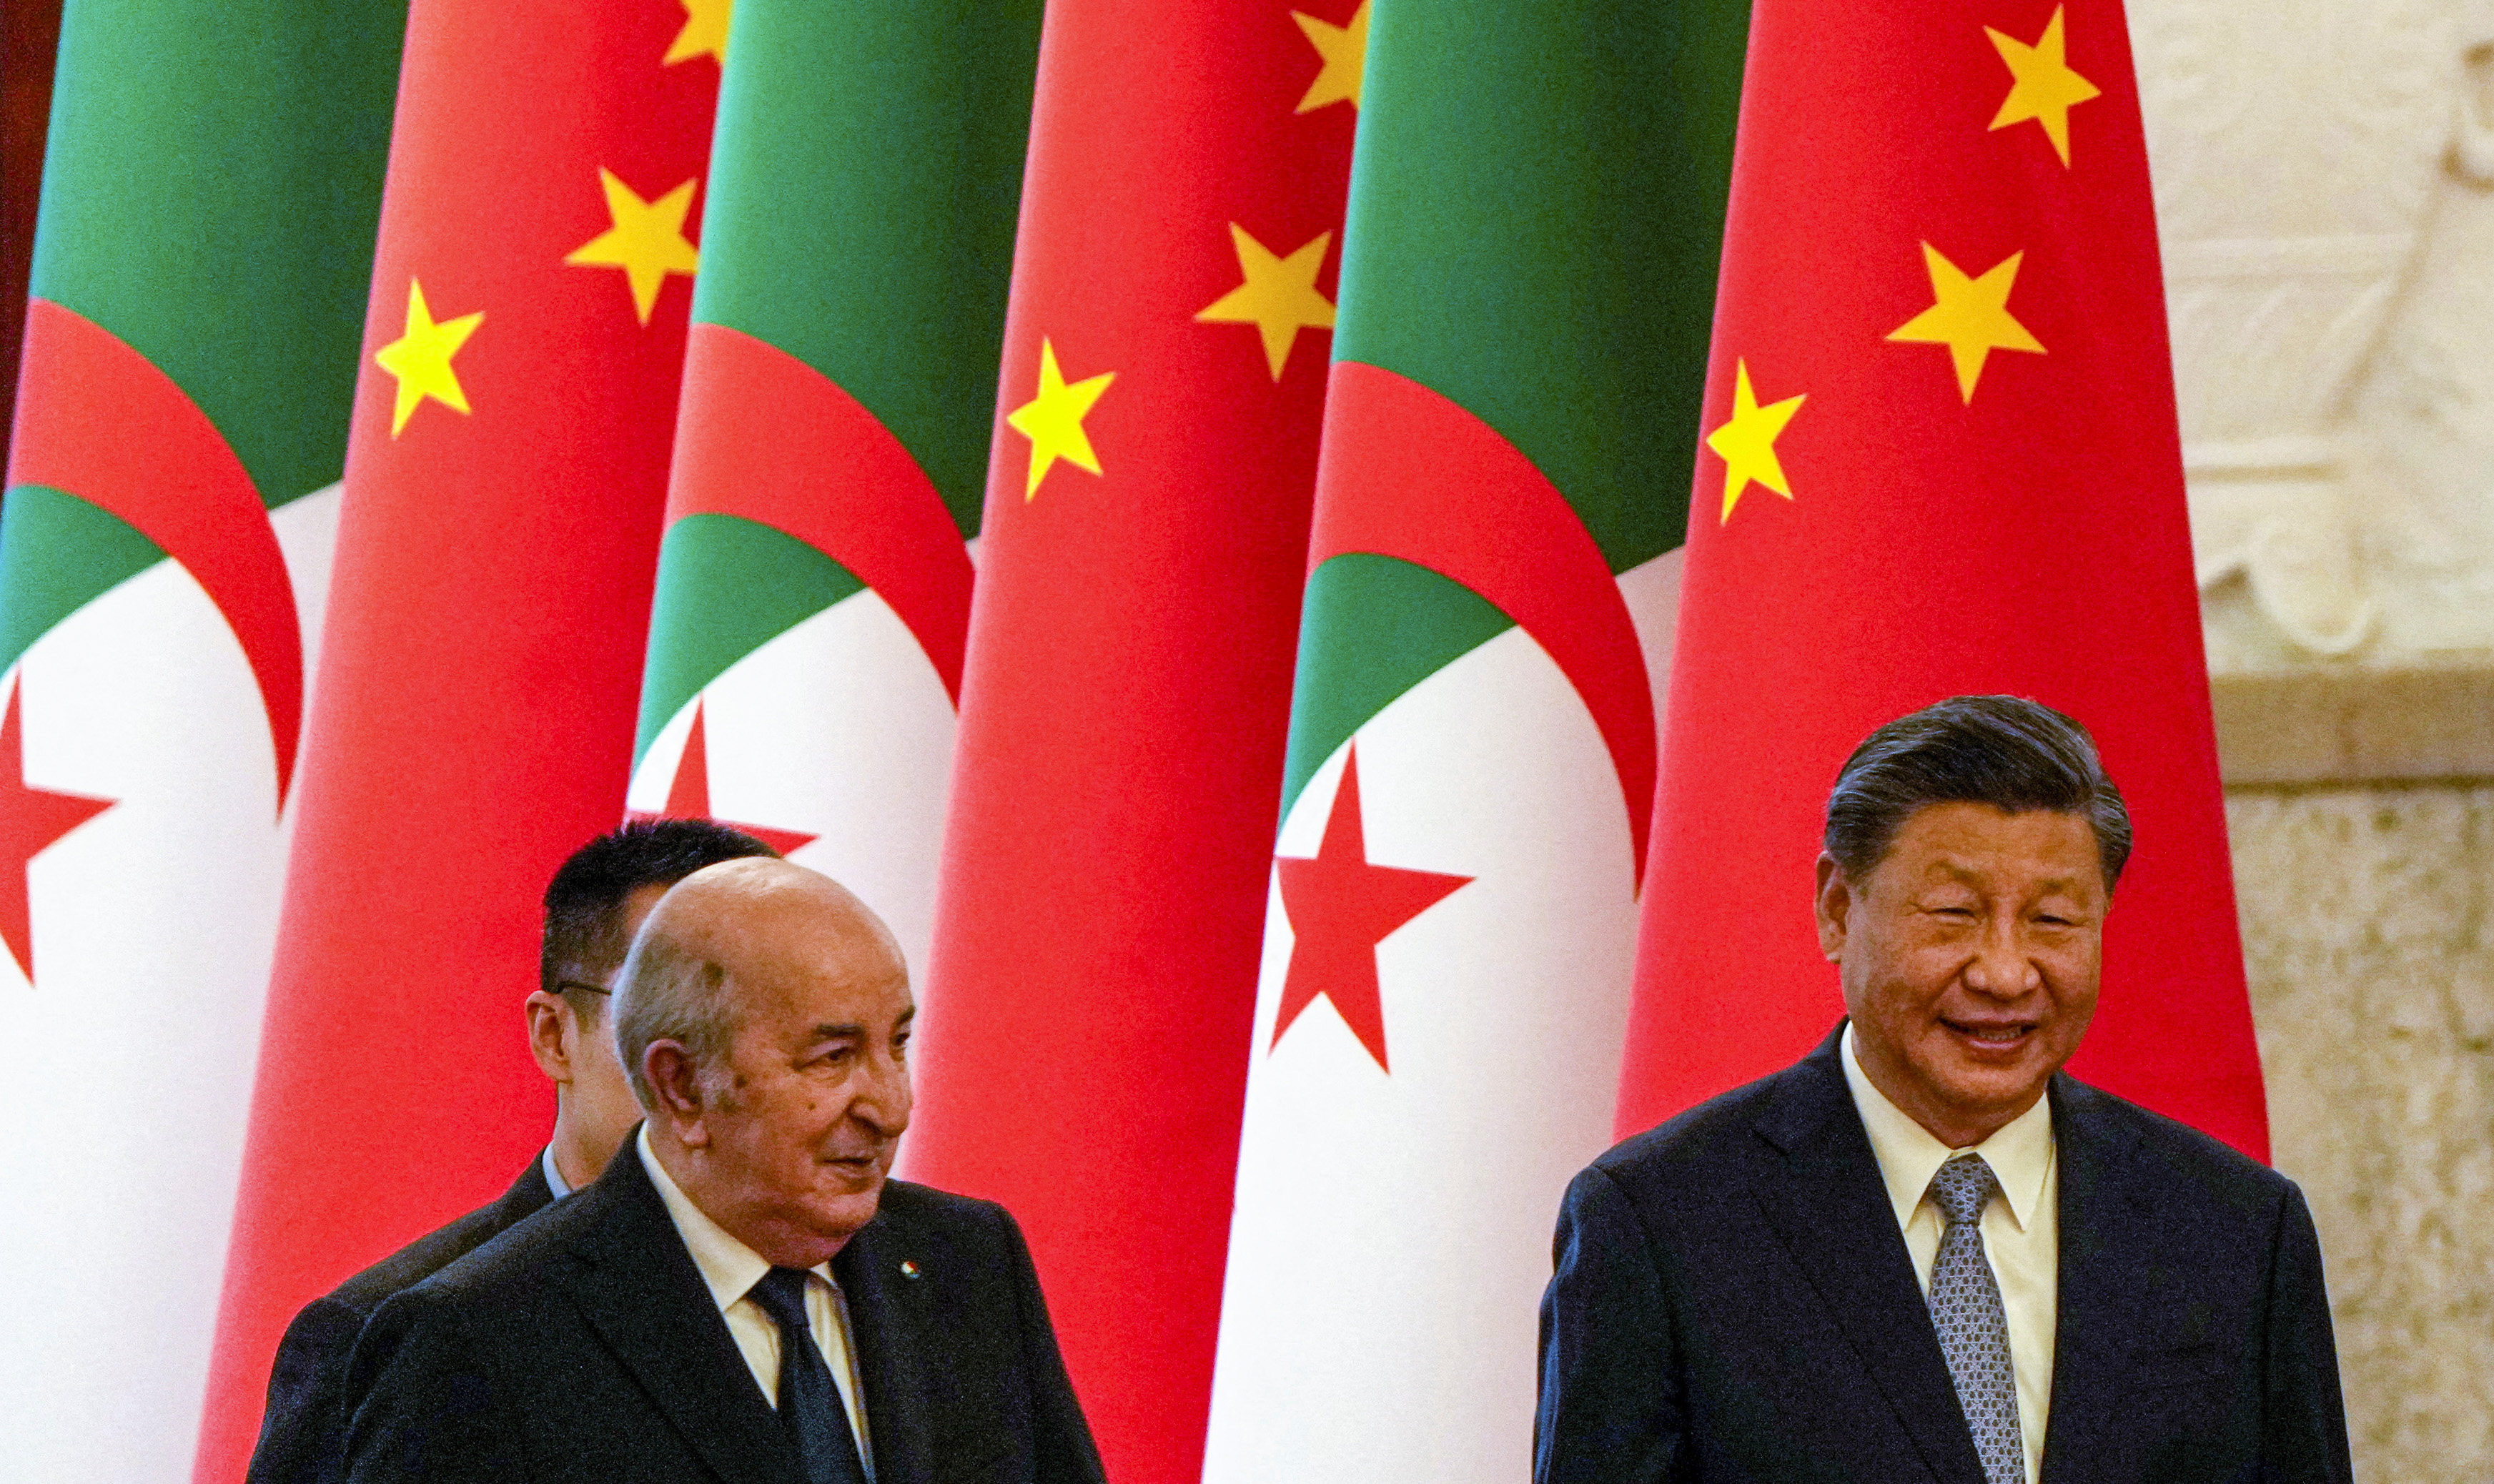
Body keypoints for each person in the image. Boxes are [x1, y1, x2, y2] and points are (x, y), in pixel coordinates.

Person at [1535, 696, 2352, 1484]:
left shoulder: (2237, 1228)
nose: (2005, 973)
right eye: (1955, 912)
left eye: (2053, 921)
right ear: (1837, 909)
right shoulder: (1659, 1223)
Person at [340, 857, 1107, 1484]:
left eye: (897, 1045)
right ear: (680, 1086)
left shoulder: (966, 1260)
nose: (891, 1106)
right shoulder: (478, 1337)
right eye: (832, 1057)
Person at [246, 818, 778, 1484]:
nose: (733, 1065)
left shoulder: (891, 1267)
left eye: (779, 1018)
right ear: (555, 1036)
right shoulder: (387, 1332)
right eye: (675, 1010)